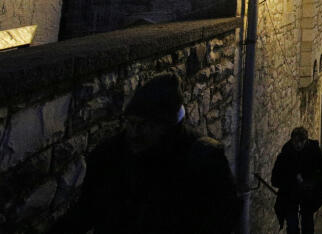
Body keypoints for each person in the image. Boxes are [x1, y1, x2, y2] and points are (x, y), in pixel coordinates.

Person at [53, 72, 240, 234]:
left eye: (144, 126)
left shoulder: (203, 161)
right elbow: (87, 211)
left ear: (166, 126)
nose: (134, 133)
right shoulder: (110, 155)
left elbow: (222, 220)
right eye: (131, 123)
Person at [271, 126, 322, 234]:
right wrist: (292, 180)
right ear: (292, 140)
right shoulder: (285, 154)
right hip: (290, 195)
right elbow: (275, 179)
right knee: (292, 226)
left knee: (308, 225)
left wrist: (311, 182)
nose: (298, 145)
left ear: (306, 141)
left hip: (308, 195)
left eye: (302, 141)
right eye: (296, 141)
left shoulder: (314, 151)